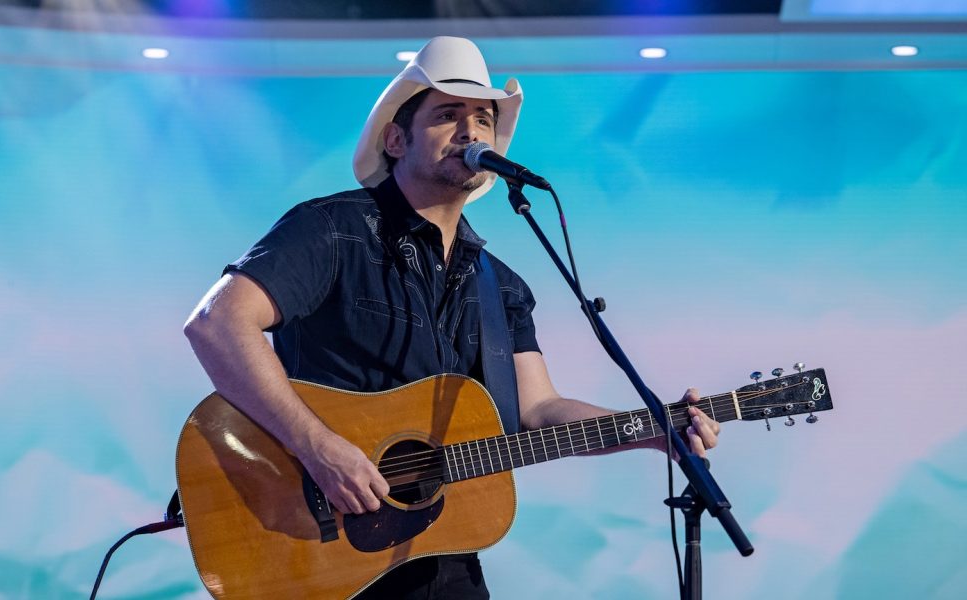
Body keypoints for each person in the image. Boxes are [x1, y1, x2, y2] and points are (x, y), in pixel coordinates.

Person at [183, 36, 720, 599]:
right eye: (448, 115)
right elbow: (217, 324)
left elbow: (535, 411)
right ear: (395, 139)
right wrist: (318, 447)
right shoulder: (333, 230)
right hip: (317, 553)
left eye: (484, 119)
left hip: (441, 560)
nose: (471, 132)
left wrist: (654, 429)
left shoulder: (501, 284)